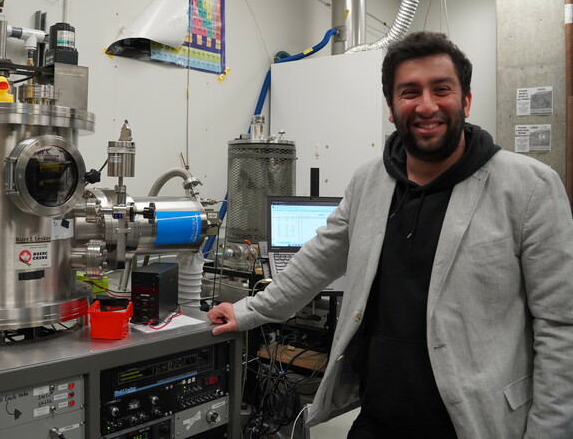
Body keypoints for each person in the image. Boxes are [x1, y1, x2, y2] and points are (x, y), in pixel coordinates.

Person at [208, 31, 573, 438]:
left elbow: (561, 326)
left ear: (466, 101)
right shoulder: (370, 181)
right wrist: (246, 312)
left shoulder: (529, 186)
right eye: (409, 92)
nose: (427, 105)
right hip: (380, 417)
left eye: (442, 89)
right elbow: (314, 261)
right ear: (391, 107)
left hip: (476, 423)